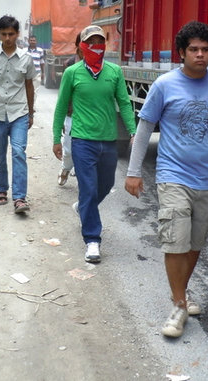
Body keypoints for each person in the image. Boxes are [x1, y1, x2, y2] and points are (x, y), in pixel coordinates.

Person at [124, 21, 208, 338]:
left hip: (207, 179)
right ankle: (179, 304)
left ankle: (181, 293)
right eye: (194, 49)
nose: (200, 55)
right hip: (173, 176)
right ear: (181, 52)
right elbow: (144, 129)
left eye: (206, 49)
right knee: (175, 240)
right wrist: (132, 172)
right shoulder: (164, 85)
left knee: (194, 244)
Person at [52, 25, 136, 263]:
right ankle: (92, 240)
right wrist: (56, 138)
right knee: (88, 187)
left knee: (106, 183)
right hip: (81, 140)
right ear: (82, 46)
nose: (96, 46)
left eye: (100, 41)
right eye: (91, 42)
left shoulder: (114, 72)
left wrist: (133, 131)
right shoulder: (73, 73)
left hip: (108, 141)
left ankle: (84, 207)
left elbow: (125, 103)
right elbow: (61, 107)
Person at [0, 15, 37, 214]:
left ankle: (19, 197)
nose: (8, 38)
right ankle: (1, 189)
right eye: (4, 34)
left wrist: (30, 112)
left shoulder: (26, 59)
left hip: (19, 112)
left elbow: (29, 86)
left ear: (18, 34)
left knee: (18, 152)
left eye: (11, 34)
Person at [57, 33, 82, 186]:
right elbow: (64, 94)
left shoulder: (100, 66)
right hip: (72, 114)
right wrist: (60, 120)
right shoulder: (70, 64)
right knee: (69, 149)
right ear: (78, 45)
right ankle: (66, 168)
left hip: (90, 116)